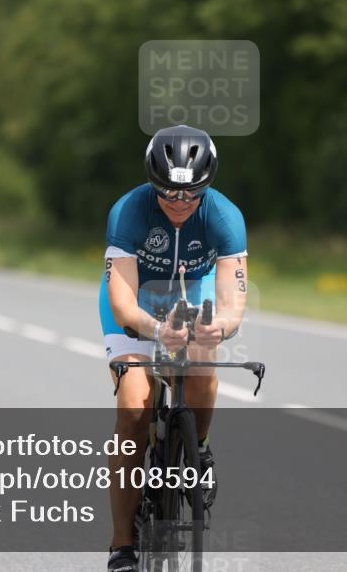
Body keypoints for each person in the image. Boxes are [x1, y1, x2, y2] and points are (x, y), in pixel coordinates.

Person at [101, 125, 248, 570]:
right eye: (169, 195)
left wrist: (217, 328)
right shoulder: (128, 211)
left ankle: (197, 449)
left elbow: (231, 305)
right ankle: (122, 545)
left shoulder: (225, 216)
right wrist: (152, 329)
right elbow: (123, 303)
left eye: (191, 195)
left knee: (204, 363)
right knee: (133, 407)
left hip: (193, 292)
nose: (181, 204)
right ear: (152, 183)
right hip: (138, 299)